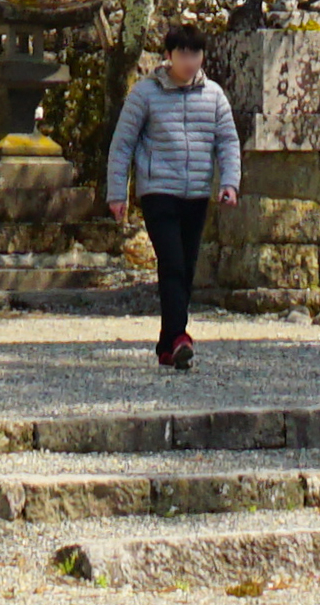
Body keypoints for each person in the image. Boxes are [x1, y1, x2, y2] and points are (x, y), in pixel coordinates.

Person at [102, 24, 252, 371]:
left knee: (185, 269)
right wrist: (116, 193)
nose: (190, 61)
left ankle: (166, 345)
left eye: (196, 54)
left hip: (196, 193)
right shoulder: (145, 94)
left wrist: (229, 182)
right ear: (168, 56)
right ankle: (181, 336)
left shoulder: (214, 95)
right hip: (158, 192)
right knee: (171, 263)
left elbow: (227, 141)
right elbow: (122, 144)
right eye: (183, 54)